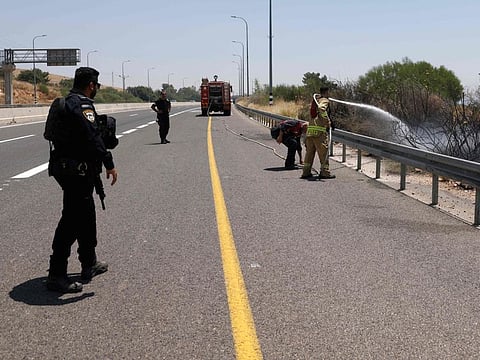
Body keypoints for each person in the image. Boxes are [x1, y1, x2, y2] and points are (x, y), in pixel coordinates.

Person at [46, 67, 118, 293]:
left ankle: (89, 263)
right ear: (91, 85)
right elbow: (92, 137)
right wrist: (109, 162)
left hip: (67, 169)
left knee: (86, 215)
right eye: (96, 85)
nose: (96, 89)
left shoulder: (66, 102)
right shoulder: (83, 105)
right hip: (78, 172)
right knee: (71, 220)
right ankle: (56, 274)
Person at [301, 87, 336, 179]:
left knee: (309, 154)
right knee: (323, 153)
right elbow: (321, 109)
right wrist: (327, 122)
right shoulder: (324, 100)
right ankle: (325, 172)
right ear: (326, 92)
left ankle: (306, 172)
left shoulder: (315, 100)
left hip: (310, 132)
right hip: (319, 133)